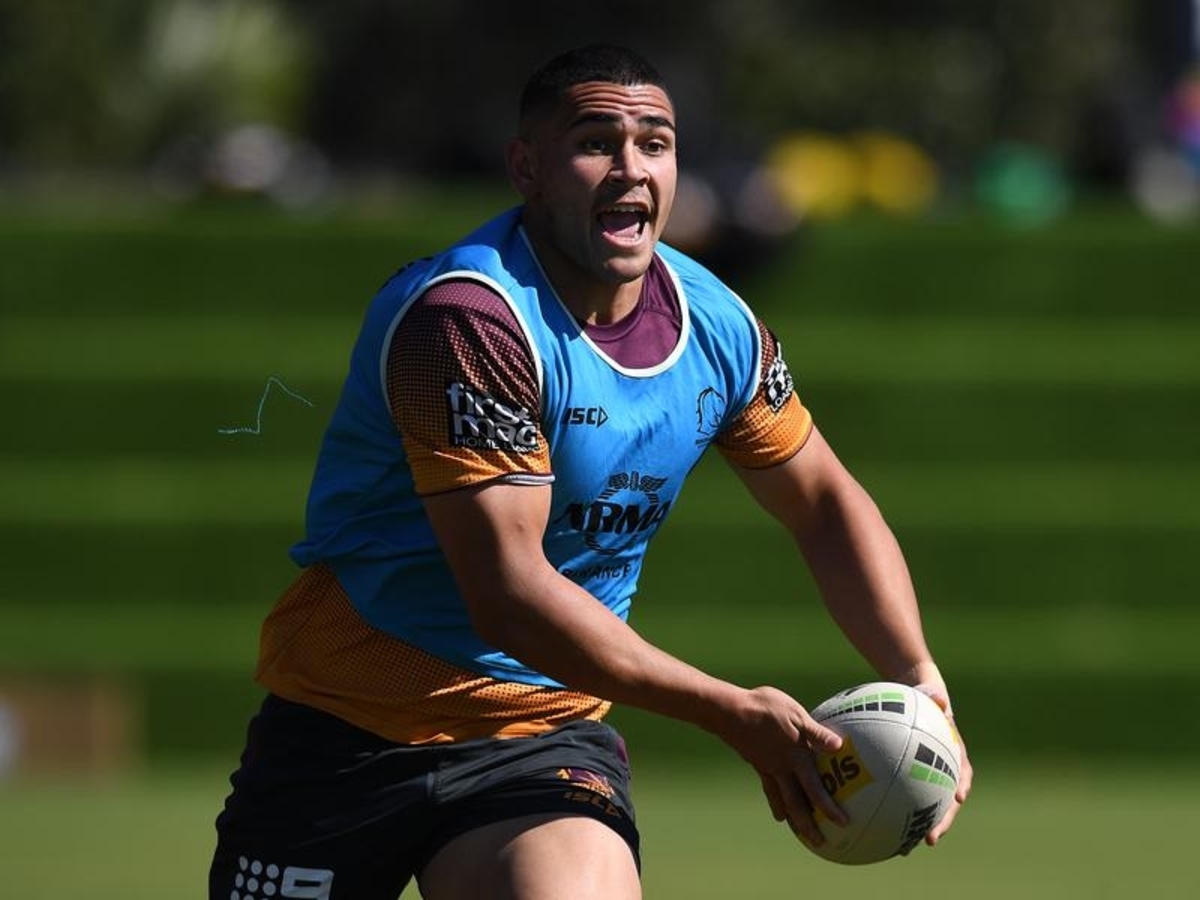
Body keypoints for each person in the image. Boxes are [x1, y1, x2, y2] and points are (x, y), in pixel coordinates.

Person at [209, 43, 972, 900]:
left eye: (655, 144)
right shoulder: (470, 320)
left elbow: (823, 502)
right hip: (343, 729)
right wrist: (728, 710)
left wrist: (917, 675)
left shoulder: (718, 325)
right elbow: (508, 593)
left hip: (540, 737)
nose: (631, 169)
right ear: (526, 168)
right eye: (596, 143)